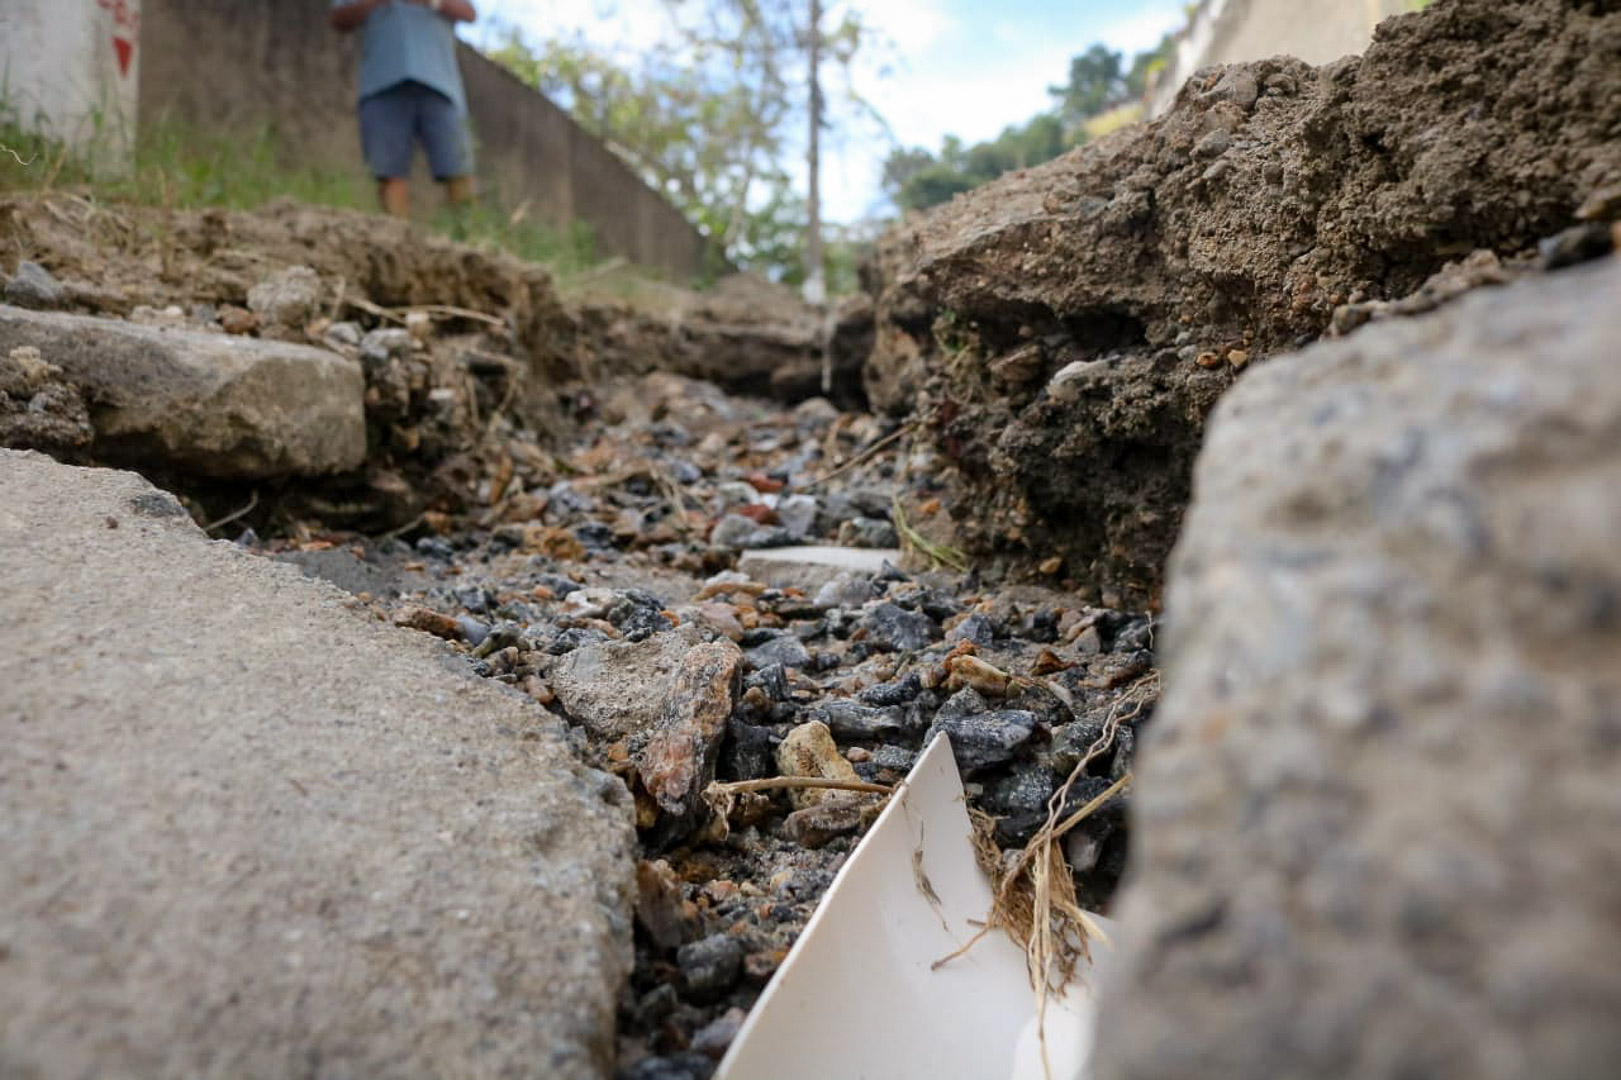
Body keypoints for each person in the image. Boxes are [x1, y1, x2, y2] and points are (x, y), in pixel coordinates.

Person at [330, 0, 479, 217]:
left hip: (441, 85)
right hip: (382, 81)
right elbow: (339, 17)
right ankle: (397, 234)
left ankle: (469, 233)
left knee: (459, 171)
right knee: (389, 173)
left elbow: (469, 13)